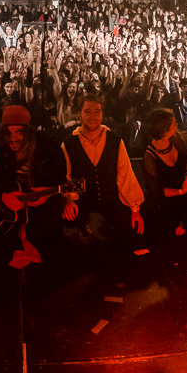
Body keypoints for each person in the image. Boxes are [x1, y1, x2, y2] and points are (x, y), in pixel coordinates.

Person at [0, 105, 68, 268]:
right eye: (9, 132)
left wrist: (47, 194)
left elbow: (60, 176)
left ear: (28, 130)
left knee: (47, 240)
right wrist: (2, 197)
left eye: (19, 131)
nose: (13, 138)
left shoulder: (46, 145)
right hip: (6, 207)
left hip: (36, 205)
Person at [60, 94, 146, 254]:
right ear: (79, 113)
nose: (92, 116)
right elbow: (65, 176)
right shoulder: (69, 143)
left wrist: (135, 210)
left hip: (110, 198)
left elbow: (125, 175)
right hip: (83, 198)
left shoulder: (115, 141)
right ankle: (84, 226)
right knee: (68, 223)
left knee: (135, 236)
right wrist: (68, 200)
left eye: (97, 111)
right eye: (87, 111)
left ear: (102, 113)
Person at [142, 108, 187, 237]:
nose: (177, 126)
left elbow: (186, 163)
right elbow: (157, 192)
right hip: (166, 204)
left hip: (185, 197)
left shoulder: (177, 140)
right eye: (174, 124)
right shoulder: (150, 157)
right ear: (164, 131)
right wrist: (181, 191)